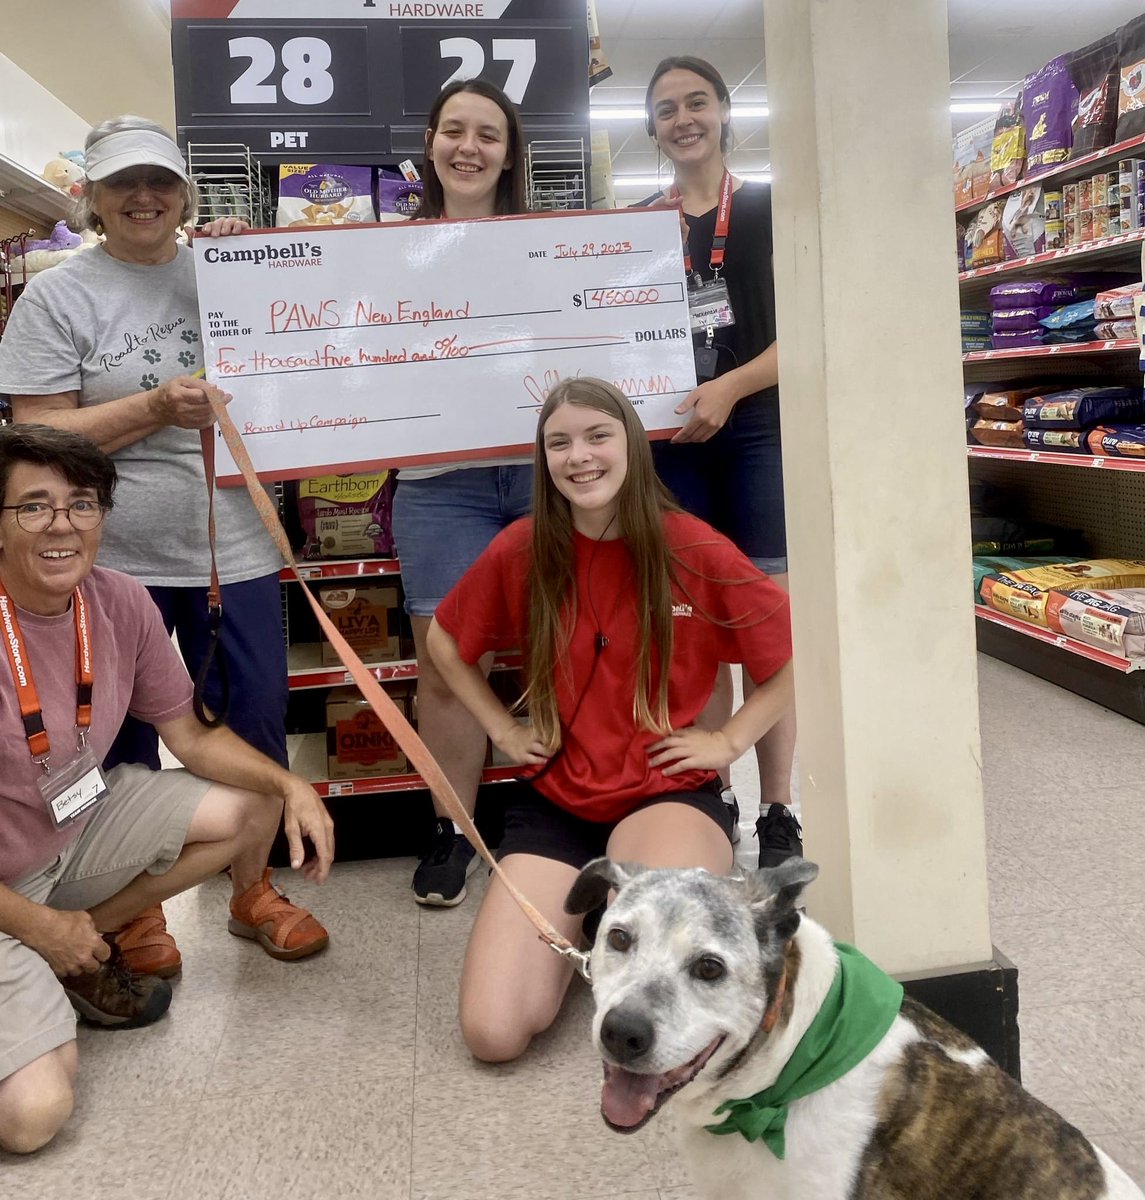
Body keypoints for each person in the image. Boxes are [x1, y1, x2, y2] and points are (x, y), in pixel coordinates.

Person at [0, 116, 329, 972]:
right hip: (109, 565)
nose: (143, 198)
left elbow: (313, 347)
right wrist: (152, 406)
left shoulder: (227, 271)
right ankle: (134, 911)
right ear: (92, 199)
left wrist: (253, 257)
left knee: (254, 720)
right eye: (121, 185)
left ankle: (252, 887)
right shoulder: (56, 297)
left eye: (159, 182)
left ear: (184, 193)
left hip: (237, 549)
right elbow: (37, 443)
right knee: (109, 741)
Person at [427, 378, 793, 1062]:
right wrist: (503, 730)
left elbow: (794, 655)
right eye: (558, 443)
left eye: (598, 436)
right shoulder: (522, 546)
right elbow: (445, 644)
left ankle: (607, 920)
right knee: (493, 1034)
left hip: (667, 796)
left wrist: (728, 739)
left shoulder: (691, 546)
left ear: (631, 445)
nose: (579, 456)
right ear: (543, 460)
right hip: (558, 802)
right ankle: (597, 918)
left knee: (666, 1004)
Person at [0, 424, 335, 1155]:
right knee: (32, 1117)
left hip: (71, 829)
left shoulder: (117, 600)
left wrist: (289, 785)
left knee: (250, 806)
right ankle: (46, 948)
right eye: (33, 506)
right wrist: (33, 924)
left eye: (82, 504)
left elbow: (188, 735)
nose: (62, 525)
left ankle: (73, 946)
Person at [636, 56, 801, 869]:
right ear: (652, 128)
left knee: (767, 621)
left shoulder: (772, 209)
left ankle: (778, 809)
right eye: (665, 109)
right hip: (672, 444)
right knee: (694, 625)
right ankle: (715, 790)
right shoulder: (633, 226)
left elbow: (808, 328)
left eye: (695, 102)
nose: (682, 119)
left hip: (759, 429)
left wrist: (728, 388)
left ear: (725, 113)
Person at [392, 79, 535, 907]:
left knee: (570, 646)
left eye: (488, 134)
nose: (469, 147)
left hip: (545, 477)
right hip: (437, 484)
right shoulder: (384, 250)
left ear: (509, 153)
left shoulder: (547, 240)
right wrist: (229, 241)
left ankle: (578, 809)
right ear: (431, 141)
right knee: (447, 663)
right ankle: (451, 829)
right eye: (454, 130)